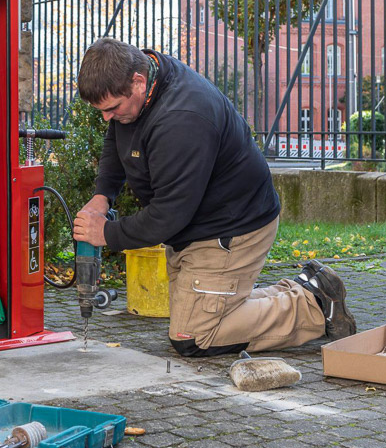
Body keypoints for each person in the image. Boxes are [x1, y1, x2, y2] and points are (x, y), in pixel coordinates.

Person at [71, 38, 356, 357]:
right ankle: (311, 287)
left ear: (138, 82)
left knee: (193, 335)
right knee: (204, 312)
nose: (107, 118)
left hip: (231, 227)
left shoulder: (182, 116)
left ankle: (313, 305)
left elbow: (167, 215)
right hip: (198, 225)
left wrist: (107, 233)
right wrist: (102, 196)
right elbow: (117, 138)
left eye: (111, 109)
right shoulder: (147, 77)